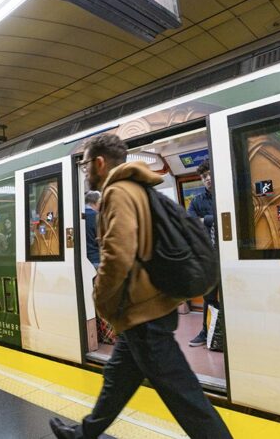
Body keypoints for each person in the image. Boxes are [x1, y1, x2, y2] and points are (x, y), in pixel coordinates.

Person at [49, 134, 231, 439]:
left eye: (84, 166)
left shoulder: (118, 193)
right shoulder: (137, 189)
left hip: (143, 315)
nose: (85, 172)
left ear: (99, 162)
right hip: (142, 313)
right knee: (117, 381)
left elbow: (118, 254)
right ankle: (83, 433)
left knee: (185, 398)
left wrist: (100, 298)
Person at [186, 160, 220, 347]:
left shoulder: (226, 194)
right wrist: (213, 220)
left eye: (209, 174)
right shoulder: (197, 201)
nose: (207, 179)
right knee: (209, 297)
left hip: (229, 256)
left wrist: (205, 219)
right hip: (208, 257)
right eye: (203, 177)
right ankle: (207, 331)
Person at [83, 190, 101, 269]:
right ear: (96, 202)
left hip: (84, 260)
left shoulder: (79, 215)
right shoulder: (97, 216)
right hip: (96, 259)